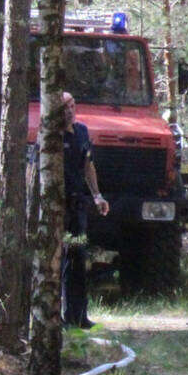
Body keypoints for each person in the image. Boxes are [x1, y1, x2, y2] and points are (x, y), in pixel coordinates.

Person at [60, 91, 111, 329]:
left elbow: (88, 166)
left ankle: (78, 315)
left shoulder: (81, 132)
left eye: (72, 105)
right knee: (55, 262)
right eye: (64, 107)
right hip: (56, 207)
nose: (69, 110)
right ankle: (55, 316)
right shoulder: (50, 136)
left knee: (77, 260)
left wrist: (98, 195)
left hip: (77, 204)